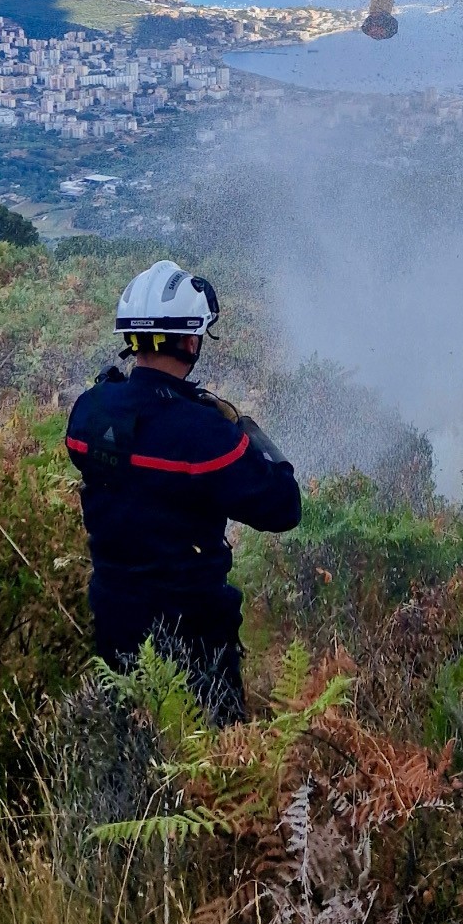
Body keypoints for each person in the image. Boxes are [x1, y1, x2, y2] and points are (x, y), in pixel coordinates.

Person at [66, 260, 301, 723]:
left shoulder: (89, 412)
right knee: (214, 771)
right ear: (192, 341)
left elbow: (114, 455)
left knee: (131, 752)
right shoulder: (206, 435)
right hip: (195, 636)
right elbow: (284, 506)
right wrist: (243, 428)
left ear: (131, 340)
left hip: (113, 621)